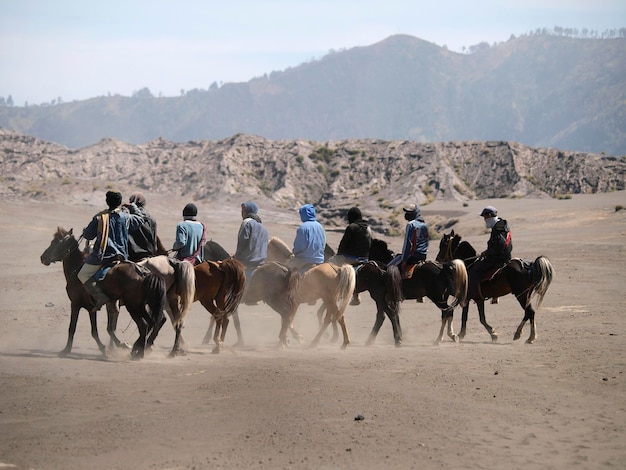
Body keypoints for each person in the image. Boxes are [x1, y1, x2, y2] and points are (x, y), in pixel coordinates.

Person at [77, 190, 147, 311]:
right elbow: (141, 218)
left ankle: (100, 296)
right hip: (121, 256)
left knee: (82, 274)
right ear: (119, 203)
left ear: (107, 202)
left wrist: (86, 231)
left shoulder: (100, 218)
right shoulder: (126, 218)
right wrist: (132, 206)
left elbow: (88, 235)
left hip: (102, 257)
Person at [466, 205, 513, 305]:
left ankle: (471, 295)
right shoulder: (502, 224)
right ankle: (494, 296)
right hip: (505, 256)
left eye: (485, 217)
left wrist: (487, 253)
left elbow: (499, 246)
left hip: (497, 258)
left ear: (489, 216)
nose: (484, 220)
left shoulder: (497, 229)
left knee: (474, 271)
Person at [330, 206, 372, 305]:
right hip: (365, 258)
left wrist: (339, 254)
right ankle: (356, 296)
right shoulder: (368, 227)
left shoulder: (351, 227)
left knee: (330, 264)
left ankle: (337, 291)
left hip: (351, 258)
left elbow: (343, 244)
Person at [234, 201, 269, 279]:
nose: (241, 213)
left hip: (247, 265)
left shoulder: (247, 222)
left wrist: (236, 257)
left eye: (243, 210)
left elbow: (242, 243)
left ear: (247, 211)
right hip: (260, 265)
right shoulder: (263, 228)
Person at [388, 203, 429, 270]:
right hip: (423, 256)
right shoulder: (424, 225)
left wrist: (404, 260)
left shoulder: (411, 224)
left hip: (412, 256)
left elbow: (408, 244)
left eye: (409, 213)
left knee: (389, 268)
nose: (407, 215)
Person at [287, 203, 326, 272]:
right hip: (319, 259)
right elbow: (323, 243)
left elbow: (299, 246)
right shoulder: (320, 226)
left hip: (304, 260)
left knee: (286, 269)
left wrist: (294, 252)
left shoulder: (303, 227)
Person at [125, 192, 158, 262]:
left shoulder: (129, 218)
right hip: (149, 255)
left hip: (133, 255)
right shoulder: (152, 219)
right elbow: (154, 240)